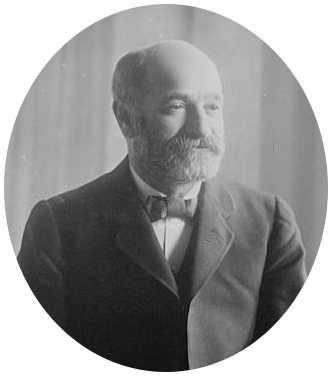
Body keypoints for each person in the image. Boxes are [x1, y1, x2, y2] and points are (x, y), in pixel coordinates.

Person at [18, 40, 307, 371]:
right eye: (176, 107)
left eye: (213, 107)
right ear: (125, 118)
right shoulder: (57, 223)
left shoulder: (270, 221)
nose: (201, 128)